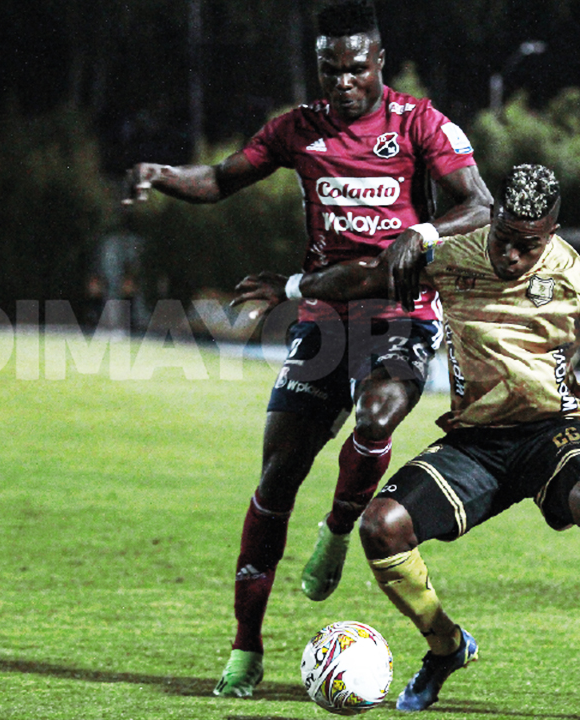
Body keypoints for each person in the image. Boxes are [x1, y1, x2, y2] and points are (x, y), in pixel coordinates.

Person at [233, 165, 580, 720]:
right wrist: (292, 287)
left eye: (527, 245)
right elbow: (367, 277)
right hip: (476, 441)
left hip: (554, 432)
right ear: (494, 218)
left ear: (551, 233)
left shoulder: (578, 279)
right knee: (381, 527)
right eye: (504, 238)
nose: (510, 255)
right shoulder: (452, 255)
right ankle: (446, 646)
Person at [122, 0, 493, 698]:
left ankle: (339, 527)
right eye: (330, 70)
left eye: (356, 68)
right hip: (324, 316)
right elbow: (222, 179)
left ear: (379, 61)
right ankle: (245, 647)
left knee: (377, 416)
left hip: (401, 313)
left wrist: (424, 235)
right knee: (276, 479)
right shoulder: (297, 128)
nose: (343, 82)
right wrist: (162, 174)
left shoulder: (420, 123)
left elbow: (479, 204)